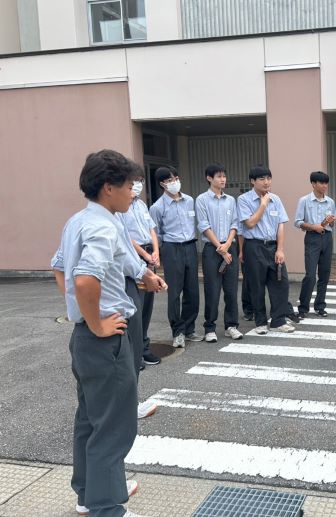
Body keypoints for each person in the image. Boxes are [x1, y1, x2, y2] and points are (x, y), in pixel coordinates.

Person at [50, 149, 150, 517]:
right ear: (109, 187)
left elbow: (60, 268)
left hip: (85, 340)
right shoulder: (103, 226)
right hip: (103, 339)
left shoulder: (78, 221)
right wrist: (97, 322)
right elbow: (84, 280)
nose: (133, 193)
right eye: (129, 186)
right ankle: (106, 507)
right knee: (114, 426)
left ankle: (89, 493)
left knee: (90, 419)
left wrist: (80, 313)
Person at [237, 165, 294, 334]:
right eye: (262, 179)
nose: (266, 182)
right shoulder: (244, 200)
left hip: (273, 246)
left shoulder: (276, 199)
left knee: (281, 283)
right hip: (254, 246)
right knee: (256, 285)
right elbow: (249, 223)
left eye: (269, 178)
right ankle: (260, 322)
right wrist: (262, 205)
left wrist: (280, 249)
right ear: (252, 181)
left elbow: (281, 225)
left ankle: (278, 320)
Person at [149, 166, 202, 347]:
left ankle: (189, 328)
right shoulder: (157, 207)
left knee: (192, 291)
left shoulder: (189, 200)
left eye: (176, 178)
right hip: (171, 248)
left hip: (190, 246)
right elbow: (156, 233)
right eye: (170, 180)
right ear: (162, 184)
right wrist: (161, 251)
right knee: (174, 292)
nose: (175, 182)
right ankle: (177, 331)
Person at [195, 163, 243, 342]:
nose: (223, 179)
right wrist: (221, 249)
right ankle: (210, 328)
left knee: (231, 290)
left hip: (229, 247)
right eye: (219, 176)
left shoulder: (230, 200)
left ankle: (231, 326)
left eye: (224, 176)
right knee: (212, 290)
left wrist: (228, 244)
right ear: (209, 178)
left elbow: (235, 223)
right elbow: (203, 226)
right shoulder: (202, 199)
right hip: (212, 249)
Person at [120, 173, 161, 366]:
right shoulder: (121, 206)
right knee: (135, 306)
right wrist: (144, 255)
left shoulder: (142, 205)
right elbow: (125, 236)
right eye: (134, 181)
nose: (138, 185)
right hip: (135, 256)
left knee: (147, 307)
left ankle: (144, 348)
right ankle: (134, 353)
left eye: (140, 181)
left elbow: (151, 229)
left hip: (149, 254)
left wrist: (155, 251)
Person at [294, 171, 336, 318]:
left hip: (327, 237)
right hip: (312, 238)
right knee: (310, 275)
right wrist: (313, 227)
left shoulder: (330, 202)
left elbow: (332, 224)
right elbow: (297, 222)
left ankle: (320, 306)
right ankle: (303, 308)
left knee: (325, 274)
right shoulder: (304, 201)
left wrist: (331, 221)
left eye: (326, 183)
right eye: (321, 183)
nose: (324, 186)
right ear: (313, 184)